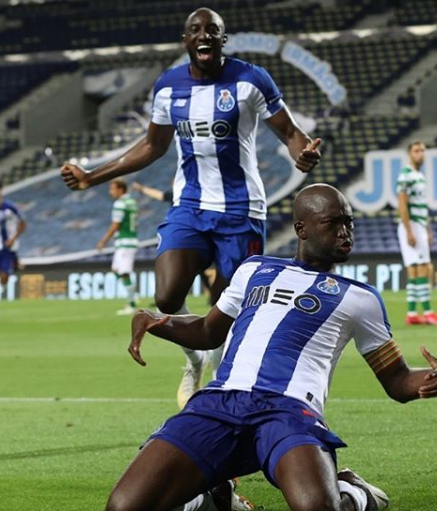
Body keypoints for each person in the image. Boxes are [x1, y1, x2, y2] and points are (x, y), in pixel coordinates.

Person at [105, 184, 437, 511]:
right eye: (332, 223)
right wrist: (158, 322)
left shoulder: (361, 298)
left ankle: (354, 493)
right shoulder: (254, 270)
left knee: (317, 508)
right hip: (219, 402)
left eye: (349, 223)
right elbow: (207, 332)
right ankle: (215, 497)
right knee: (123, 506)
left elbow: (397, 381)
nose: (345, 232)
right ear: (301, 229)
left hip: (289, 413)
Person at [61, 7, 321, 407]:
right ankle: (193, 360)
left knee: (225, 310)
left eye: (213, 30)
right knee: (166, 296)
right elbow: (153, 145)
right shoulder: (168, 87)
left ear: (222, 39)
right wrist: (92, 176)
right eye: (196, 30)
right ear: (185, 40)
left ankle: (215, 365)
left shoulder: (250, 79)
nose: (204, 36)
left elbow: (290, 132)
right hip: (190, 206)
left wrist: (302, 153)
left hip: (241, 211)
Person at [133, 180, 228, 404]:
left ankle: (219, 383)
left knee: (225, 302)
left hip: (233, 218)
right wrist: (142, 189)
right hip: (190, 225)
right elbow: (161, 194)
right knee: (167, 297)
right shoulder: (185, 190)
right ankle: (195, 361)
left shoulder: (233, 179)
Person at [396, 141, 437, 326]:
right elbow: (402, 203)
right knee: (421, 268)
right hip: (412, 226)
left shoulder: (419, 176)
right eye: (416, 151)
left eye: (423, 150)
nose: (421, 154)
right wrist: (409, 230)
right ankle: (428, 313)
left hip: (419, 225)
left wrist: (428, 230)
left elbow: (422, 207)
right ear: (410, 154)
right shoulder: (406, 175)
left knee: (418, 269)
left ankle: (412, 314)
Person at [97, 179, 139, 315]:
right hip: (129, 241)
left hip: (125, 242)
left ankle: (132, 304)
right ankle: (133, 293)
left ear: (121, 189)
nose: (111, 192)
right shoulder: (131, 202)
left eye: (112, 189)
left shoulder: (120, 204)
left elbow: (116, 225)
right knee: (116, 269)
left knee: (123, 273)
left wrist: (103, 241)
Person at [0, 180, 26, 322]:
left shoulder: (9, 208)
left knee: (4, 278)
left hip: (7, 248)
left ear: (0, 192)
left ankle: (14, 264)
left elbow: (23, 223)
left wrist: (13, 238)